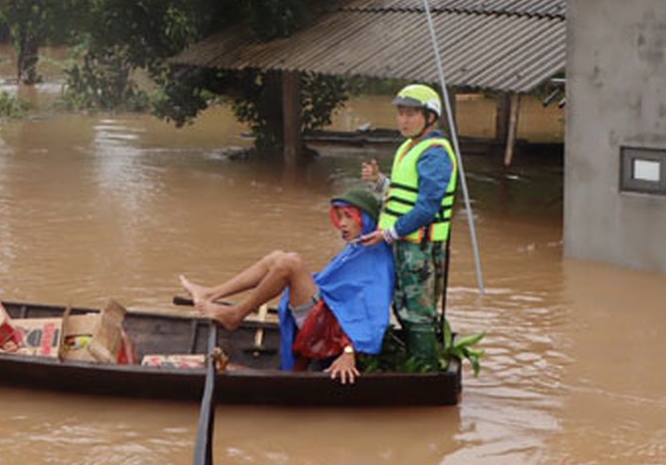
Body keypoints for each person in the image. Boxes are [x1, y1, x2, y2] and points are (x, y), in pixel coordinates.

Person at [179, 188, 394, 384]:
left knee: (290, 263)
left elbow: (371, 314)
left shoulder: (375, 256)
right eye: (340, 217)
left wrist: (349, 352)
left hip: (331, 332)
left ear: (364, 220)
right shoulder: (359, 246)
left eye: (349, 217)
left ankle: (235, 315)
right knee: (277, 257)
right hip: (328, 317)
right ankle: (210, 293)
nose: (343, 224)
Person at [359, 83, 458, 369]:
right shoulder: (409, 147)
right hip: (401, 242)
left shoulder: (435, 153)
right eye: (401, 113)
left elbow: (427, 207)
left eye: (411, 114)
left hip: (420, 248)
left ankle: (426, 371)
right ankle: (413, 360)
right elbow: (404, 193)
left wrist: (389, 233)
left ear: (430, 117)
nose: (403, 120)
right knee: (400, 307)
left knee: (417, 312)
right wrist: (379, 181)